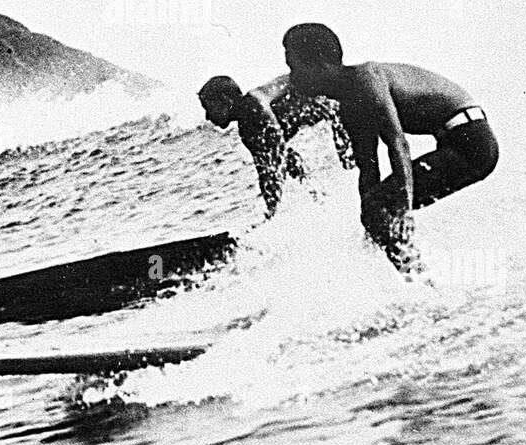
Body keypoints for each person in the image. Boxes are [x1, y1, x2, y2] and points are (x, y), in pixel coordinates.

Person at [280, 23, 499, 273]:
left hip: (473, 142)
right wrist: (370, 223)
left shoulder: (366, 80)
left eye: (295, 68)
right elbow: (368, 170)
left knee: (382, 207)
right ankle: (416, 279)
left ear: (321, 65)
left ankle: (419, 281)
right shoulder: (349, 106)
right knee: (375, 209)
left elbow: (398, 145)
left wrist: (402, 211)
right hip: (458, 141)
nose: (291, 78)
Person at [198, 73, 355, 217]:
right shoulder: (247, 130)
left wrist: (272, 212)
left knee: (351, 166)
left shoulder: (255, 106)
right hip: (331, 104)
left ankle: (335, 209)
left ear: (226, 100)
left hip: (339, 102)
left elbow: (276, 157)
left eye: (208, 107)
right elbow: (279, 162)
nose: (207, 116)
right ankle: (325, 207)